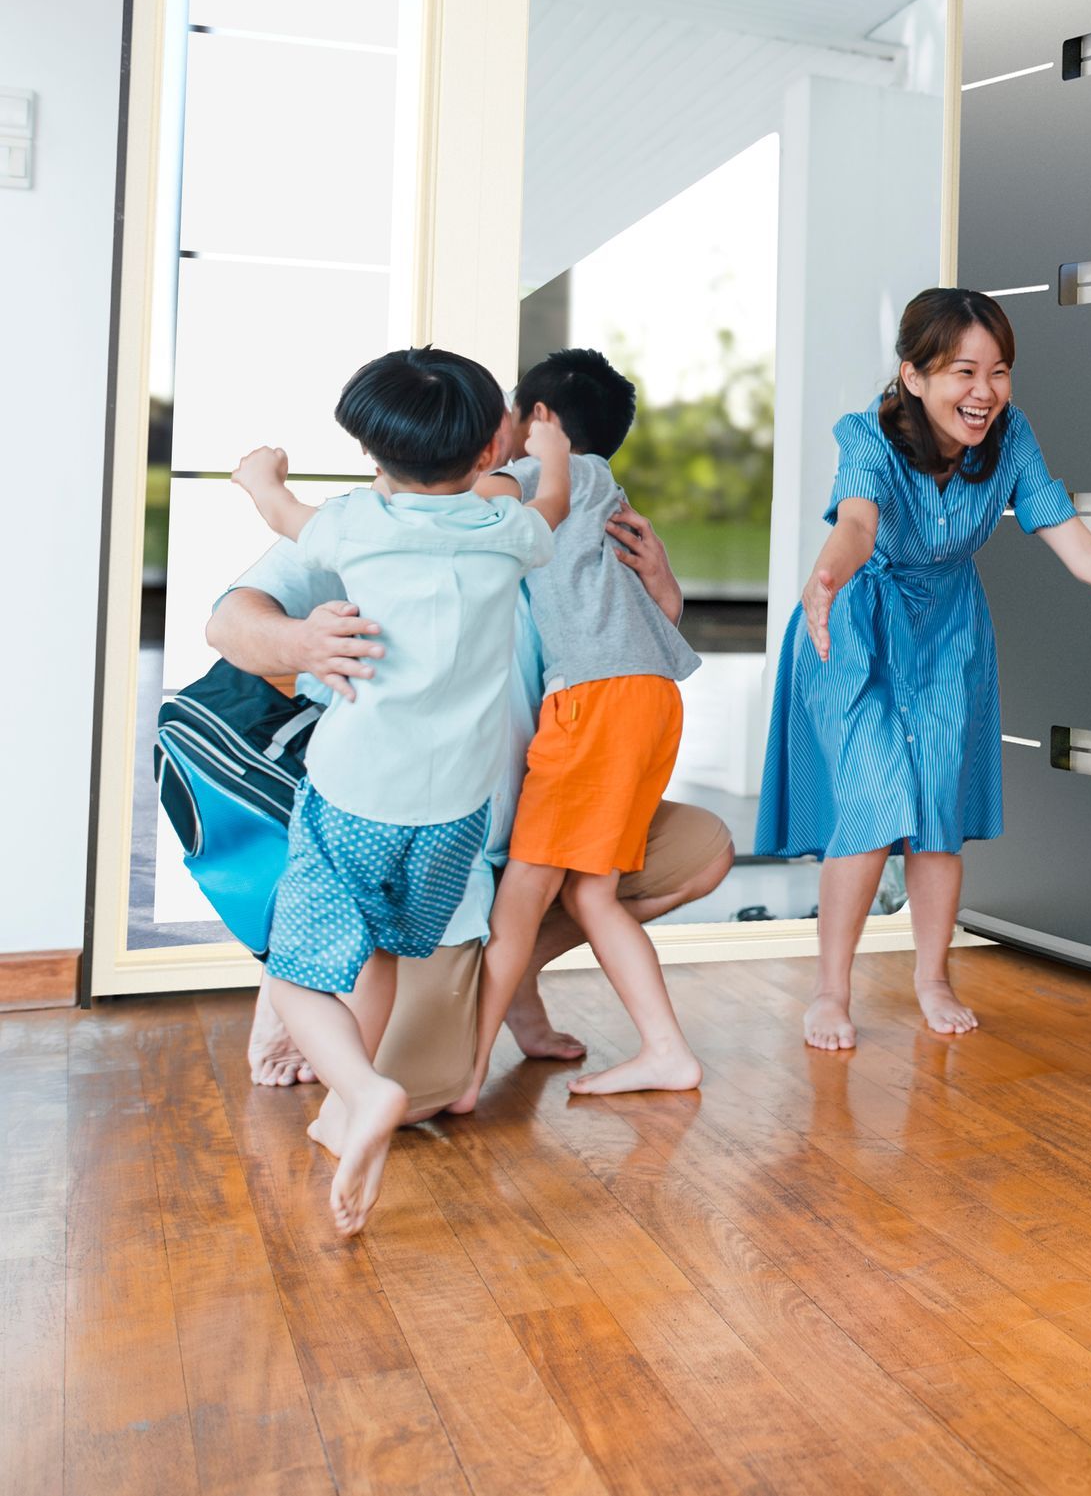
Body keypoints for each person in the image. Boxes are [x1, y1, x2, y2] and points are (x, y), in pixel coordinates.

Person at [757, 287, 1091, 1051]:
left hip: (947, 633)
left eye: (999, 371)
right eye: (962, 371)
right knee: (871, 801)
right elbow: (860, 522)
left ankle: (932, 977)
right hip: (854, 620)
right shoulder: (868, 435)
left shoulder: (1013, 439)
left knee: (936, 810)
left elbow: (1081, 549)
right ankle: (830, 990)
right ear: (913, 376)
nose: (984, 392)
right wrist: (826, 577)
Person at [214, 508, 733, 1116]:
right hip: (422, 860)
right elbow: (229, 622)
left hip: (534, 835)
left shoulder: (547, 520)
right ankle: (297, 976)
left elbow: (625, 667)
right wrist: (299, 642)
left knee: (703, 850)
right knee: (412, 1102)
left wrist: (663, 599)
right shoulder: (367, 522)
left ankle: (511, 979)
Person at [231, 346, 566, 1234]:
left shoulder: (353, 523)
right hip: (455, 811)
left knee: (299, 969)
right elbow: (545, 505)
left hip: (354, 795)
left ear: (374, 452)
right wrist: (546, 463)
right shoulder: (511, 533)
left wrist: (258, 473)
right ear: (489, 448)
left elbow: (278, 507)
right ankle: (347, 1112)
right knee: (378, 949)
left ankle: (363, 1085)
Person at [455, 348, 704, 1108]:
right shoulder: (607, 491)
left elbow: (473, 495)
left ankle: (462, 1072)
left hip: (596, 700)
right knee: (589, 894)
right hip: (644, 696)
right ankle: (664, 1049)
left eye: (508, 414)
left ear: (542, 423)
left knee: (528, 887)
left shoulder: (555, 472)